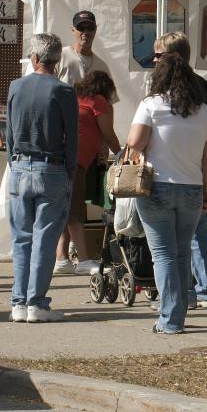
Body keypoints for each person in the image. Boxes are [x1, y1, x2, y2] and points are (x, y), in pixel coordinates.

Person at [126, 54, 207, 334]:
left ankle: (170, 319)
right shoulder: (203, 111)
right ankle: (176, 314)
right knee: (181, 254)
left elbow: (135, 142)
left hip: (156, 187)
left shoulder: (151, 105)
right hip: (191, 188)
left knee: (164, 255)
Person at [5, 34, 78, 322]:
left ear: (34, 59)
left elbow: (10, 134)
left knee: (21, 238)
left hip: (21, 165)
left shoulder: (15, 87)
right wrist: (69, 171)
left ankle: (19, 301)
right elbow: (72, 137)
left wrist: (15, 162)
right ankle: (36, 302)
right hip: (52, 167)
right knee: (45, 238)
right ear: (56, 61)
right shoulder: (64, 91)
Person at [152, 32, 207, 309]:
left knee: (180, 241)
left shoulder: (174, 87)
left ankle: (187, 294)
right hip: (194, 172)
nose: (155, 60)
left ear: (174, 57)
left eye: (159, 55)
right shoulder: (203, 85)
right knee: (197, 233)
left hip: (176, 173)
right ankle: (205, 290)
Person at [53, 70, 120, 276]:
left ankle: (61, 258)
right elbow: (108, 134)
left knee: (65, 208)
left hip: (59, 157)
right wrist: (124, 156)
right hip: (75, 160)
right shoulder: (98, 101)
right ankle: (83, 259)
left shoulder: (73, 96)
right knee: (75, 210)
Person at [58, 11, 117, 102]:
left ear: (95, 30)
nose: (86, 32)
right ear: (73, 30)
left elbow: (108, 103)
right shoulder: (59, 56)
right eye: (81, 28)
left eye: (90, 28)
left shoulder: (102, 66)